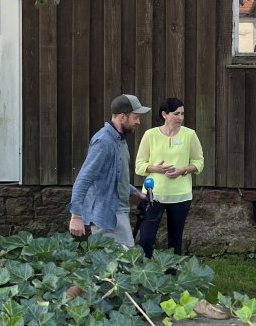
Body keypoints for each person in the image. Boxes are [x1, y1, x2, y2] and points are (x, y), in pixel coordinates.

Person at [68, 94, 151, 247]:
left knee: (120, 264)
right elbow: (84, 178)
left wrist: (134, 191)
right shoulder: (104, 142)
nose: (138, 122)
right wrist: (76, 216)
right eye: (135, 117)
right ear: (122, 117)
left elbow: (113, 174)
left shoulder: (119, 139)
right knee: (118, 264)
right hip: (107, 214)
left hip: (118, 211)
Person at [135, 98, 204, 257]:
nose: (180, 117)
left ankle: (171, 278)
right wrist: (156, 169)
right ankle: (146, 274)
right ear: (164, 115)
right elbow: (139, 166)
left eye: (182, 114)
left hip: (180, 196)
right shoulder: (150, 135)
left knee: (175, 241)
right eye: (176, 113)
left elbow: (199, 162)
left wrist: (183, 170)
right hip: (153, 195)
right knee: (146, 239)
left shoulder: (190, 135)